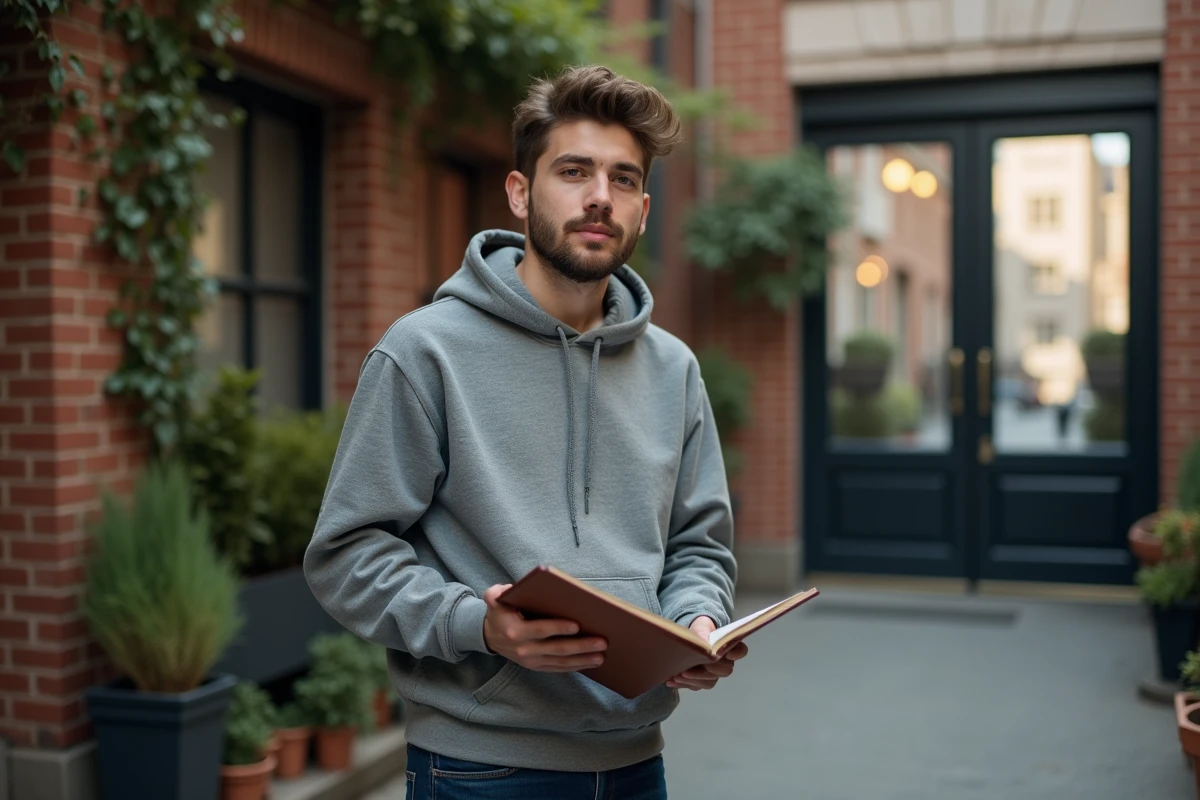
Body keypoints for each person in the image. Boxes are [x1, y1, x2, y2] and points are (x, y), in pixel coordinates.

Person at [305, 64, 741, 800]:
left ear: (641, 209)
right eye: (574, 171)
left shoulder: (674, 369)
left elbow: (699, 543)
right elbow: (345, 555)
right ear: (519, 193)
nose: (600, 196)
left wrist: (696, 619)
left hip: (638, 763)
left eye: (624, 179)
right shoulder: (424, 352)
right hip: (480, 767)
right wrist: (477, 624)